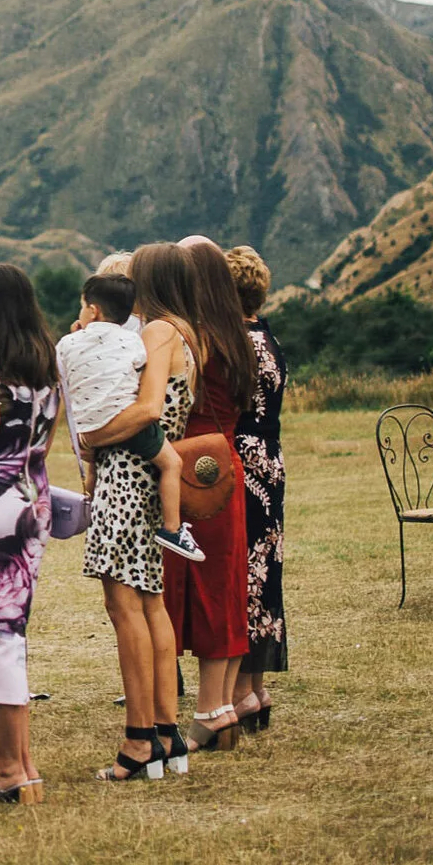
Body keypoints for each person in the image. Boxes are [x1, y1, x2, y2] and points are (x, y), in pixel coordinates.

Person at [81, 243, 201, 783]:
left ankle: (138, 740)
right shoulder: (185, 331)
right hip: (150, 475)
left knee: (124, 605)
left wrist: (93, 437)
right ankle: (166, 732)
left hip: (128, 475)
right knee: (151, 603)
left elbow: (148, 408)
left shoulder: (156, 332)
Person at [0, 264, 58, 808]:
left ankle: (9, 770)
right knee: (11, 631)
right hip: (34, 499)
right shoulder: (46, 364)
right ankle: (23, 766)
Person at [165, 236, 255, 753]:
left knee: (188, 589)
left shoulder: (190, 339)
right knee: (223, 590)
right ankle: (217, 708)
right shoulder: (239, 336)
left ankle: (204, 713)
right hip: (227, 467)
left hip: (186, 470)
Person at [56, 277, 203, 563]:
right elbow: (141, 372)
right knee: (172, 463)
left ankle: (93, 498)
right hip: (124, 422)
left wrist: (77, 336)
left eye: (82, 307)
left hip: (87, 425)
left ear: (94, 310)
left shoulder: (67, 343)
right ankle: (172, 528)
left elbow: (61, 367)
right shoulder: (134, 341)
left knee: (93, 471)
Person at [225, 243, 288, 732]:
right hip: (272, 459)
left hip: (242, 460)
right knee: (265, 570)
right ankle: (259, 687)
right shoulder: (270, 338)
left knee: (243, 570)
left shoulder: (234, 345)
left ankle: (242, 692)